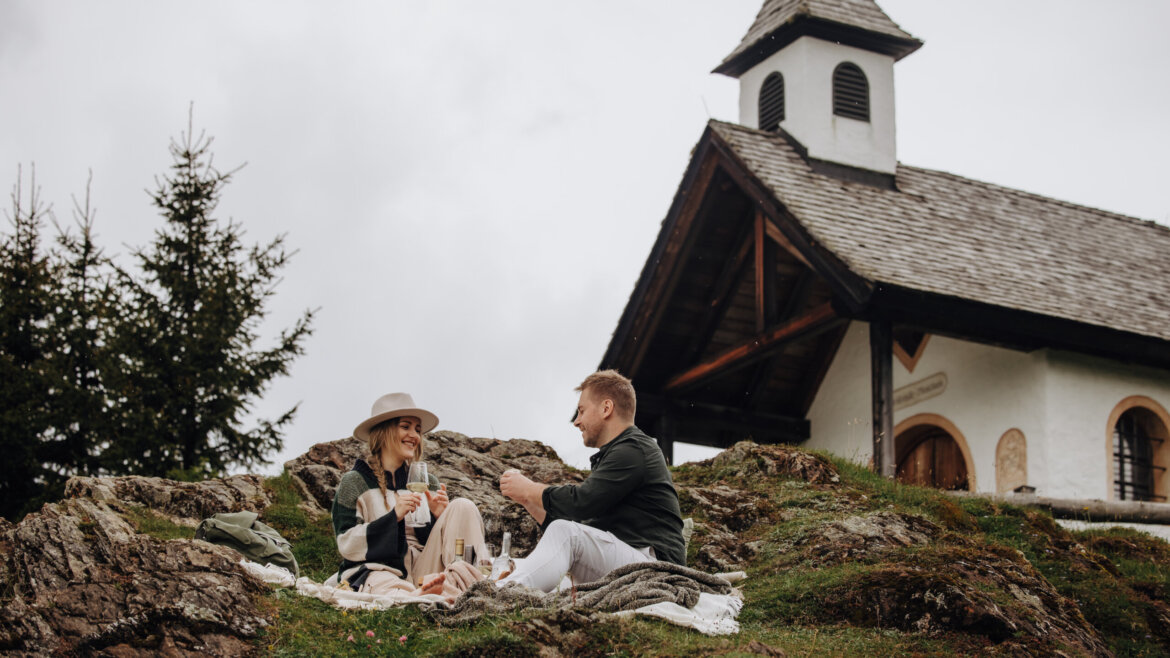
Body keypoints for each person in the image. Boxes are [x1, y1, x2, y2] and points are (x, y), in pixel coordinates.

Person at [498, 370, 686, 592]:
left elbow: (581, 505)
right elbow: (582, 525)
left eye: (581, 411)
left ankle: (498, 596)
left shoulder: (633, 449)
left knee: (563, 535)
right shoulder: (621, 453)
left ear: (606, 408)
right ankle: (490, 589)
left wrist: (530, 489)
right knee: (535, 571)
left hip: (657, 568)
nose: (577, 422)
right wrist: (527, 500)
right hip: (632, 559)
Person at [331, 392, 488, 600]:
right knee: (384, 584)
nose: (414, 436)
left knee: (462, 506)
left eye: (418, 430)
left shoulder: (426, 482)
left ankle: (470, 584)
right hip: (380, 571)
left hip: (424, 571)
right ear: (384, 431)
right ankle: (433, 595)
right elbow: (347, 543)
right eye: (405, 427)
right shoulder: (356, 482)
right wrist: (393, 517)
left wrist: (439, 517)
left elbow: (430, 541)